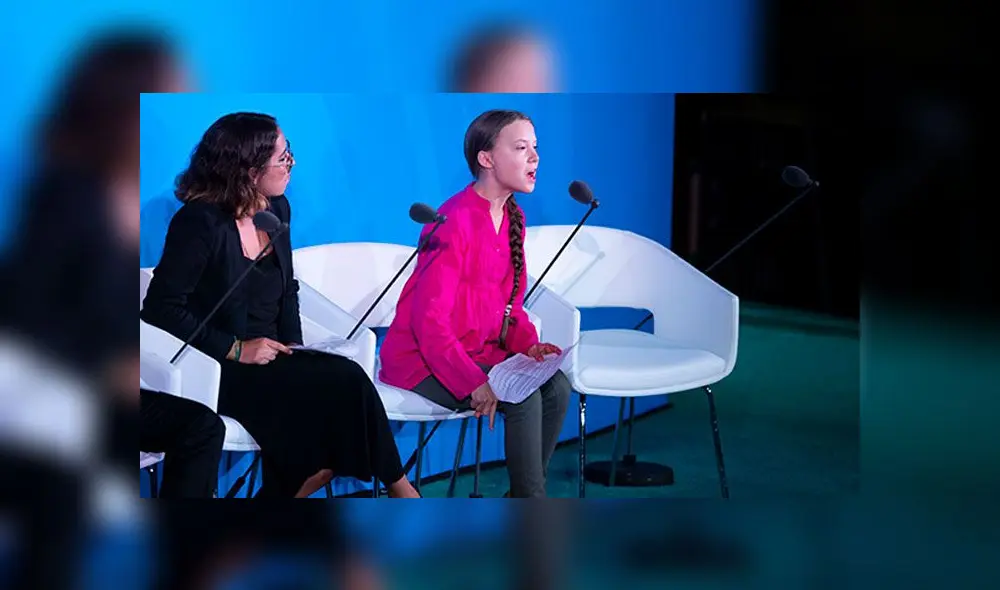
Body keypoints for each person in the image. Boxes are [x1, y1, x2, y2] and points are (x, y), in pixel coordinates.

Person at [140, 111, 420, 498]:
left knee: (346, 377)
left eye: (290, 154)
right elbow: (161, 308)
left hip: (274, 354)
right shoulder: (199, 222)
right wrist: (236, 348)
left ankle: (344, 484)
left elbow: (287, 289)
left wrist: (297, 345)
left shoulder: (277, 209)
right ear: (249, 169)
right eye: (283, 158)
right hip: (218, 365)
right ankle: (398, 488)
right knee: (341, 383)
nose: (292, 165)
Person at [378, 109, 572, 498]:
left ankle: (526, 492)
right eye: (521, 148)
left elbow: (509, 308)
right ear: (486, 159)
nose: (534, 158)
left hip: (479, 350)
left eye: (535, 148)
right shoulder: (452, 220)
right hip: (424, 358)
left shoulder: (511, 216)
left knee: (559, 386)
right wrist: (472, 382)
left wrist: (528, 345)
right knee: (522, 398)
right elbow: (429, 323)